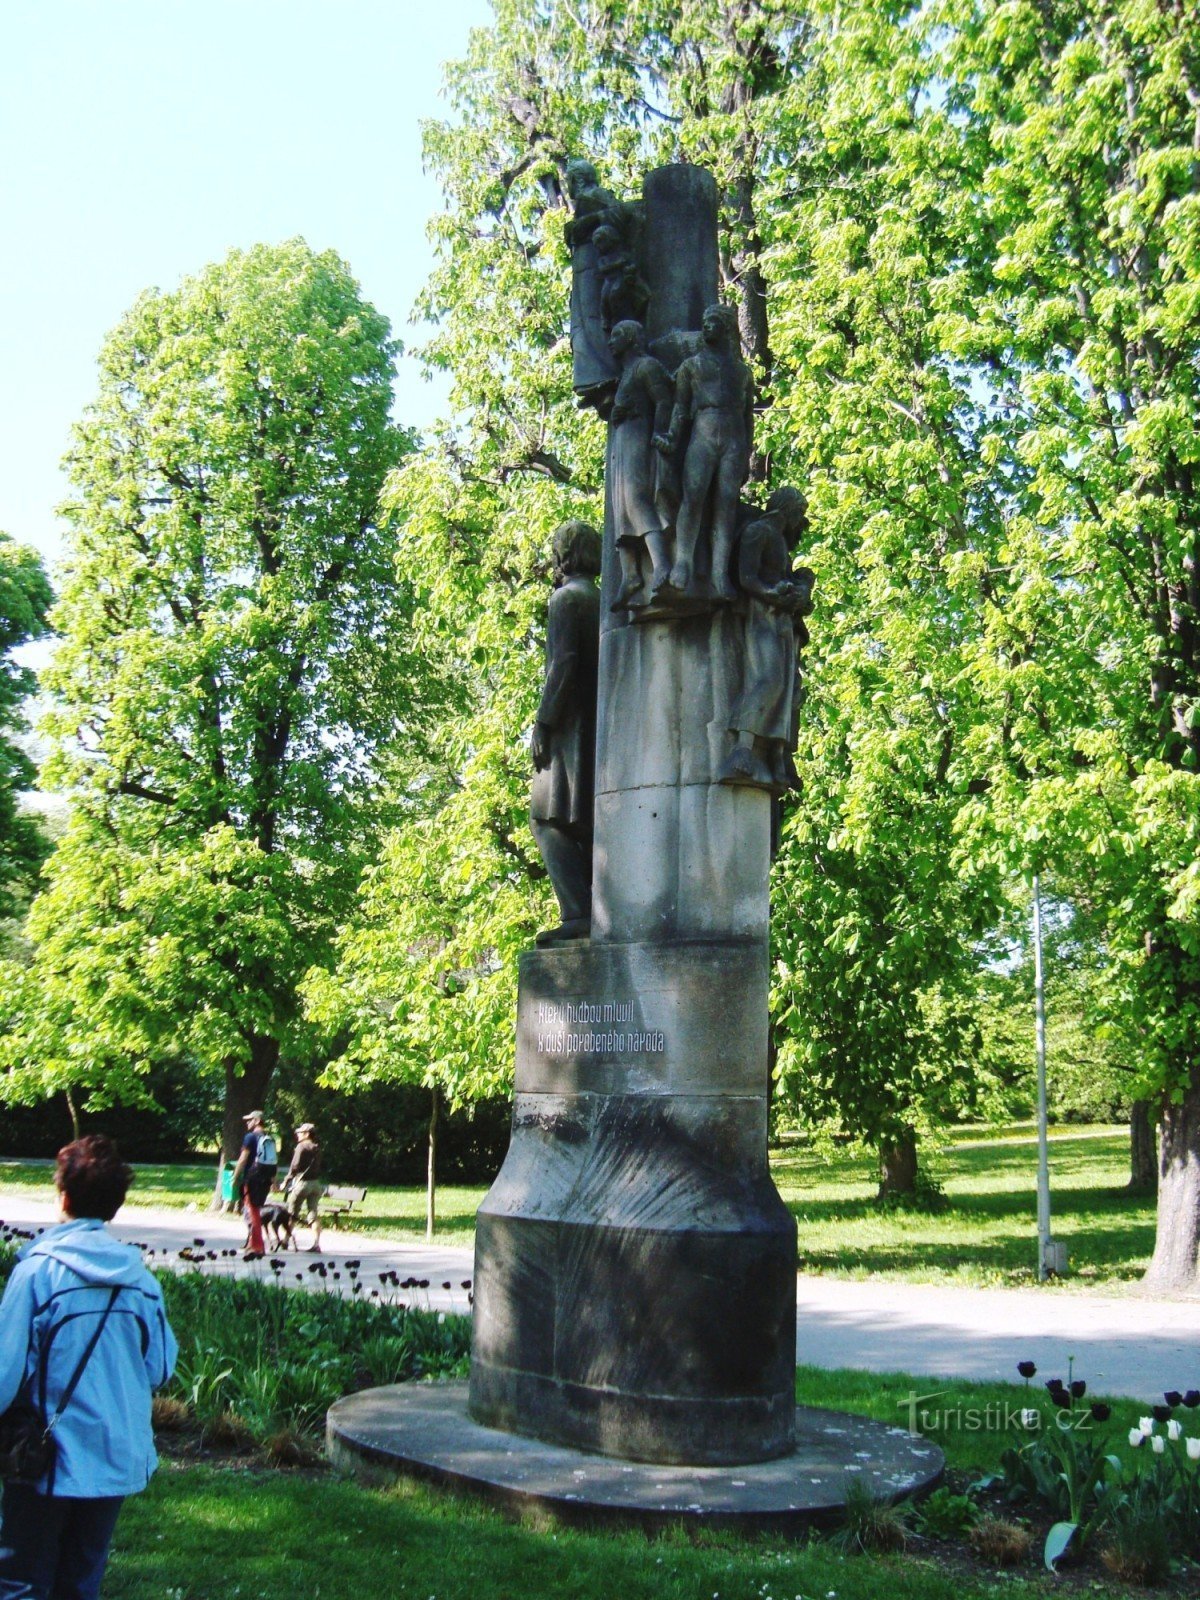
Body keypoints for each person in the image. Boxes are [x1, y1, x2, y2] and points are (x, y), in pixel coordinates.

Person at [0, 1135, 177, 1600]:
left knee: (21, 1583)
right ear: (116, 1205)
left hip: (45, 1455)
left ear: (63, 1197)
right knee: (81, 1582)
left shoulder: (37, 1273)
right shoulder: (140, 1280)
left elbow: (4, 1372)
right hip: (114, 1454)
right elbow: (160, 1367)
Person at [530, 521, 602, 944]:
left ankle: (578, 912)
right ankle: (594, 909)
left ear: (563, 555)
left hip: (569, 727)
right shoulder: (601, 601)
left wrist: (544, 721)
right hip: (596, 726)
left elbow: (563, 663)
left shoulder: (566, 599)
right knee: (586, 822)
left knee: (546, 818)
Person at [229, 1110, 277, 1260]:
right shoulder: (270, 1138)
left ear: (257, 1121)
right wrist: (274, 1181)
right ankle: (252, 1243)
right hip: (265, 1179)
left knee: (253, 1211)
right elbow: (273, 1160)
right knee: (256, 1209)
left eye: (250, 1120)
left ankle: (257, 1246)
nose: (247, 1123)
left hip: (252, 1178)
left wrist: (235, 1177)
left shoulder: (250, 1137)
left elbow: (243, 1159)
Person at [283, 1123, 325, 1253]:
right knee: (313, 1214)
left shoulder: (301, 1147)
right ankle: (316, 1243)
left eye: (300, 1132)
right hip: (316, 1184)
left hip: (302, 1184)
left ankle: (285, 1241)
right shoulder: (317, 1148)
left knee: (292, 1213)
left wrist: (286, 1181)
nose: (298, 1134)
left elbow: (294, 1166)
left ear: (307, 1134)